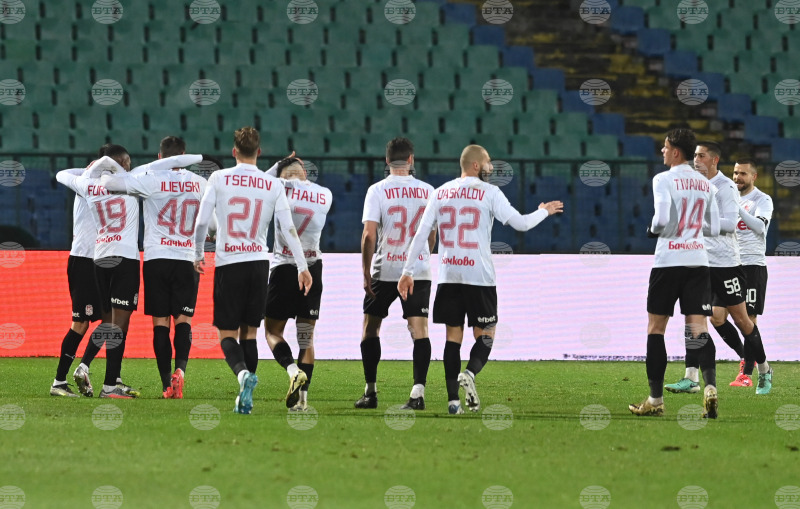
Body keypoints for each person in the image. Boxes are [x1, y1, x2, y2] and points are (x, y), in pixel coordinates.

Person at [398, 145, 563, 414]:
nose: (491, 167)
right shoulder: (490, 192)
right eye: (487, 162)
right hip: (479, 277)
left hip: (449, 275)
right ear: (476, 165)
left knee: (453, 337)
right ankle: (470, 373)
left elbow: (421, 234)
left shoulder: (440, 192)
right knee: (486, 334)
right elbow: (521, 223)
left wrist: (407, 271)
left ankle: (453, 402)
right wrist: (545, 210)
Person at [193, 127, 312, 415]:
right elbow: (288, 228)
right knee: (249, 334)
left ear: (234, 151)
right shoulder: (272, 185)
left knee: (227, 335)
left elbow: (201, 223)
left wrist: (197, 254)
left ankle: (243, 376)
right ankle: (247, 395)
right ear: (259, 152)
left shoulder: (219, 178)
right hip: (259, 264)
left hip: (229, 264)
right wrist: (302, 266)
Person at [98, 136, 218, 399]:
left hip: (157, 259)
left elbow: (110, 184)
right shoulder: (200, 183)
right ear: (184, 155)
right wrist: (208, 236)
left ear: (160, 156)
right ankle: (180, 371)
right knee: (183, 319)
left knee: (160, 323)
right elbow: (212, 225)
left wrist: (141, 169)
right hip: (187, 258)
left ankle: (166, 385)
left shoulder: (151, 178)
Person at [629, 128, 721, 418]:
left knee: (656, 329)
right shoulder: (707, 184)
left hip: (669, 261)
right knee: (699, 328)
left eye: (666, 147)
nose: (662, 151)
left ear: (676, 152)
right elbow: (715, 228)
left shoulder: (663, 179)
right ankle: (710, 387)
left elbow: (661, 220)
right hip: (698, 261)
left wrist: (652, 229)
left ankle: (655, 400)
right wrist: (692, 230)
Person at [355, 137, 436, 411]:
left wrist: (365, 272)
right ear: (411, 160)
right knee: (419, 330)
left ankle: (370, 392)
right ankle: (417, 393)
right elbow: (432, 234)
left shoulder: (376, 190)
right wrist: (421, 258)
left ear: (387, 160)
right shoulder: (428, 191)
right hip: (417, 271)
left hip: (385, 269)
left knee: (370, 328)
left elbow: (369, 235)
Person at [664, 142, 748, 392]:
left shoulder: (726, 186)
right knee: (696, 318)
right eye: (695, 156)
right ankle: (691, 377)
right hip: (699, 261)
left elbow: (729, 224)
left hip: (724, 263)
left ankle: (752, 360)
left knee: (738, 319)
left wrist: (695, 223)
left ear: (714, 160)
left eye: (701, 156)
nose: (696, 160)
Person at [69, 146, 141, 399]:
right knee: (118, 323)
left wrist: (92, 168)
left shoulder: (90, 186)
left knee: (111, 320)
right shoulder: (131, 183)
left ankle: (109, 376)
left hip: (100, 257)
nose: (129, 166)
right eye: (127, 161)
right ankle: (104, 381)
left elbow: (61, 175)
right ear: (120, 163)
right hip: (125, 257)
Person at [264, 156, 332, 411]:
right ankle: (302, 402)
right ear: (304, 172)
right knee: (306, 339)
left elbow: (255, 179)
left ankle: (292, 370)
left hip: (284, 267)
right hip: (313, 269)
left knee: (272, 332)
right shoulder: (325, 194)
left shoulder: (278, 187)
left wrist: (278, 166)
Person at [50, 148, 108, 397]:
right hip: (84, 260)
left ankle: (83, 368)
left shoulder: (109, 184)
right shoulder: (86, 183)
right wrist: (89, 169)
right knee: (80, 323)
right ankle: (59, 381)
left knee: (110, 319)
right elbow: (61, 173)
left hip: (102, 260)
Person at [732, 159, 774, 391]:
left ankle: (748, 373)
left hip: (752, 265)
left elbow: (759, 227)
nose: (737, 177)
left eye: (743, 173)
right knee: (717, 317)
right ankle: (755, 361)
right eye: (735, 172)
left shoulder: (762, 200)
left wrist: (737, 208)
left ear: (754, 176)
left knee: (748, 318)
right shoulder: (727, 198)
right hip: (729, 265)